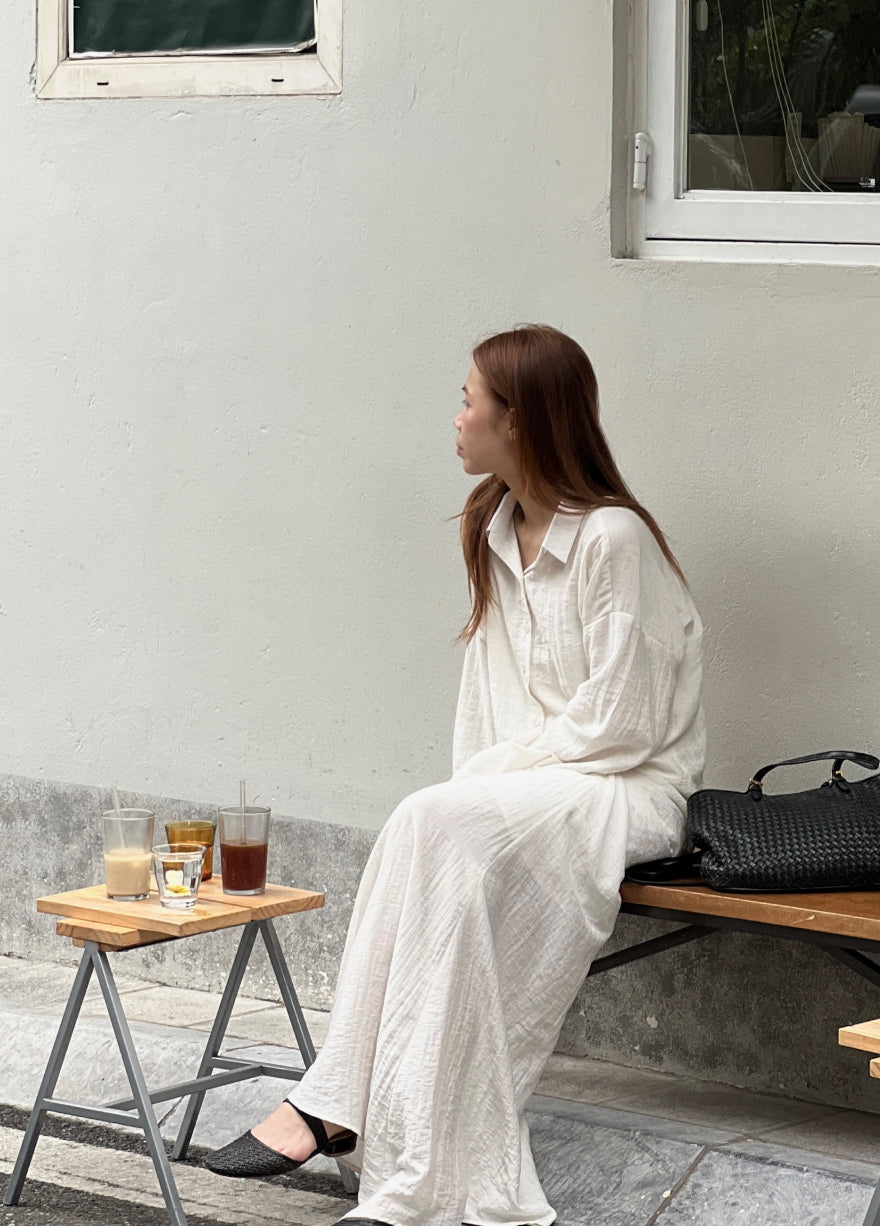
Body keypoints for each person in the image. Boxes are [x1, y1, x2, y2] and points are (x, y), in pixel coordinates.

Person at [204, 324, 705, 1226]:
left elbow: (623, 724)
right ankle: (353, 1112)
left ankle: (331, 1102)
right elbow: (490, 698)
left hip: (629, 787)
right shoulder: (493, 524)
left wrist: (484, 793)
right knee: (431, 821)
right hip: (536, 785)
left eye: (470, 399)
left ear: (521, 420)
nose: (457, 417)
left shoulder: (613, 539)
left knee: (435, 819)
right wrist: (477, 795)